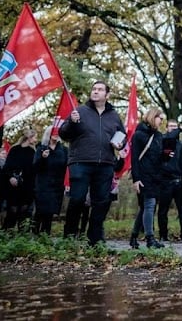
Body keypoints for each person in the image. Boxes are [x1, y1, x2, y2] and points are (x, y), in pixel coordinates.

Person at [59, 80, 127, 245]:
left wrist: (120, 143)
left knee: (101, 202)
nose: (95, 91)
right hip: (80, 162)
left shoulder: (114, 116)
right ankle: (69, 237)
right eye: (94, 89)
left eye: (100, 89)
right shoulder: (80, 111)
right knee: (77, 199)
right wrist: (71, 123)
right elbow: (63, 134)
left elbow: (122, 136)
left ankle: (95, 238)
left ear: (107, 95)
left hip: (105, 163)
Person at [130, 107, 167, 249]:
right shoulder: (139, 134)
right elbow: (134, 158)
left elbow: (158, 157)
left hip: (156, 176)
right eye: (160, 118)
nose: (161, 121)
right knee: (149, 205)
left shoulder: (158, 136)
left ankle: (133, 236)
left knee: (144, 207)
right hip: (143, 176)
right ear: (153, 117)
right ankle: (150, 238)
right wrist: (136, 178)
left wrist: (165, 155)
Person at [32, 126, 68, 235]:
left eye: (58, 133)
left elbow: (67, 167)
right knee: (40, 210)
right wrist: (42, 158)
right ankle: (35, 233)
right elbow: (35, 167)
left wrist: (67, 183)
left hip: (57, 185)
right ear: (49, 134)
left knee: (50, 211)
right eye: (53, 133)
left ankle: (45, 235)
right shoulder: (41, 148)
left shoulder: (64, 150)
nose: (56, 135)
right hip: (43, 184)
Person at [157, 119, 182, 243]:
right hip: (165, 181)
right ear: (167, 128)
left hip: (179, 181)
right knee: (163, 210)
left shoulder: (181, 145)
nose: (174, 129)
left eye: (176, 127)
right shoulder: (162, 141)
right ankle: (163, 235)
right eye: (171, 126)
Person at [1, 128, 38, 230]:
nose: (36, 140)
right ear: (29, 137)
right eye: (35, 137)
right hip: (13, 185)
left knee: (24, 211)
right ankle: (7, 233)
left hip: (26, 186)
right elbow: (7, 167)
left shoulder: (33, 152)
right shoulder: (14, 150)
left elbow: (33, 170)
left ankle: (22, 235)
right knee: (12, 210)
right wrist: (11, 177)